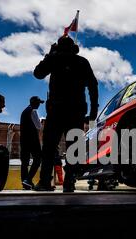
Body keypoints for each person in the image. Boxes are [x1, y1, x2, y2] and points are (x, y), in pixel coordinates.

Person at [33, 35, 99, 192]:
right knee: (74, 147)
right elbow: (93, 86)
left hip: (56, 110)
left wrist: (50, 54)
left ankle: (44, 182)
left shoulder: (54, 59)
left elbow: (38, 73)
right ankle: (69, 182)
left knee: (49, 147)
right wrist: (93, 111)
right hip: (76, 111)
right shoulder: (82, 62)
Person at [20, 96, 44, 190]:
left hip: (24, 140)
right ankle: (28, 179)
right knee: (38, 159)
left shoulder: (24, 111)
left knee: (24, 162)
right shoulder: (33, 111)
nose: (39, 105)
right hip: (32, 139)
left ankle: (25, 183)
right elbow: (38, 126)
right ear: (34, 102)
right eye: (38, 103)